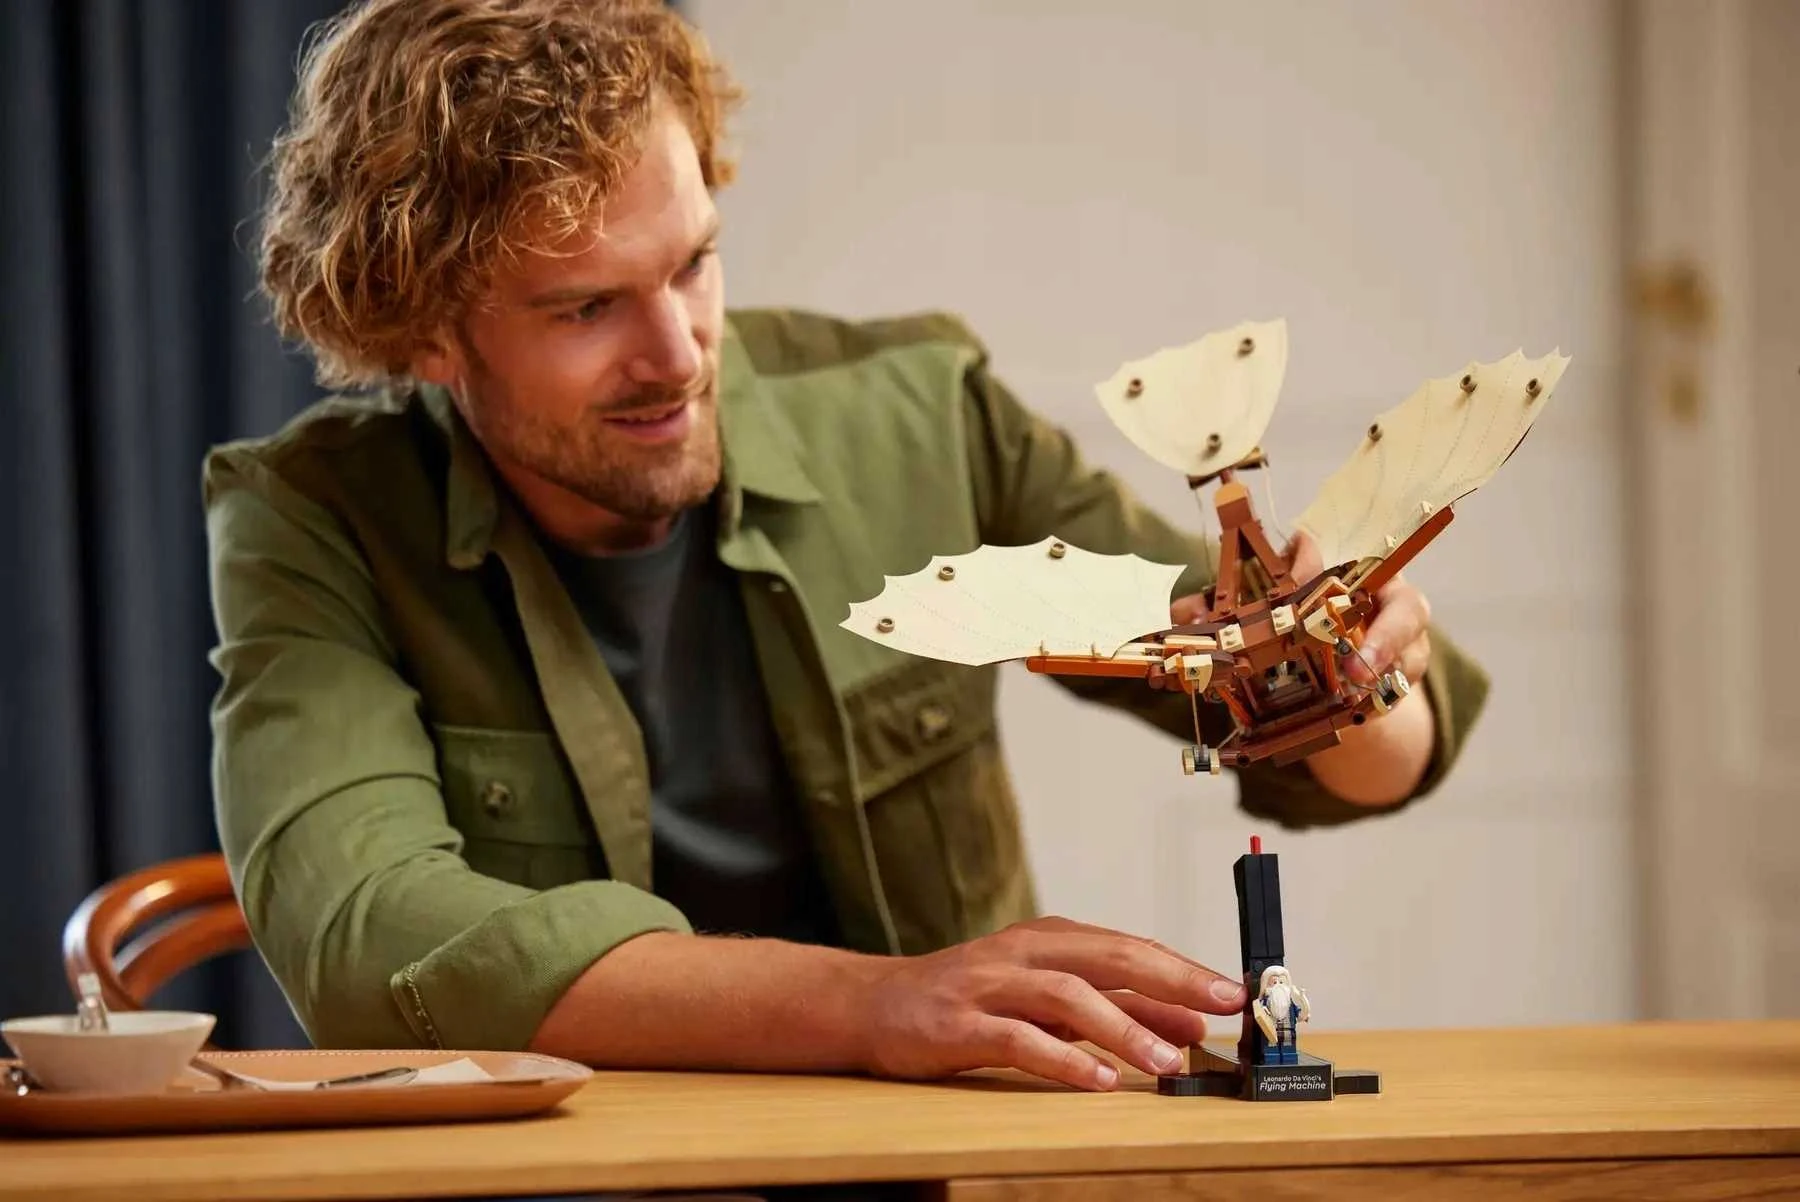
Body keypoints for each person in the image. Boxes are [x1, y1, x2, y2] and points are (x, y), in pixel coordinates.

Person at [205, 0, 1490, 1105]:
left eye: (694, 264)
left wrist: (1351, 672)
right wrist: (875, 1004)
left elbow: (1353, 751)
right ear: (428, 330)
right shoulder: (312, 514)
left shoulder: (924, 410)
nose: (679, 354)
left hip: (946, 1169)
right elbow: (370, 939)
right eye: (588, 306)